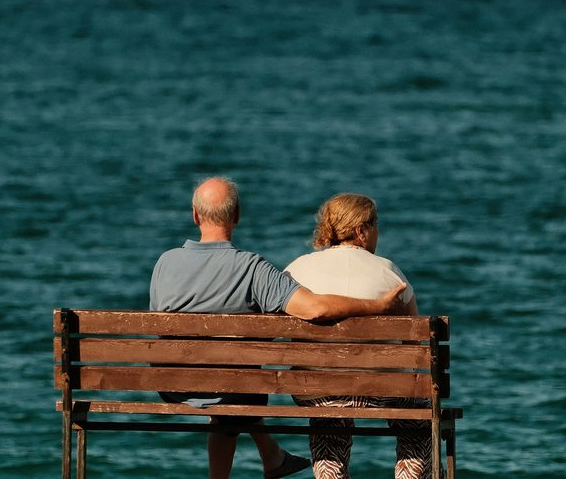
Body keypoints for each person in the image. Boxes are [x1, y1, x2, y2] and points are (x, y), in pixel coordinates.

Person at [149, 178, 407, 479]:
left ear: (194, 215)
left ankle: (273, 457)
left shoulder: (165, 263)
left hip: (171, 383)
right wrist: (377, 307)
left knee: (231, 391)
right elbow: (316, 308)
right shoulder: (253, 268)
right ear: (237, 216)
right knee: (237, 387)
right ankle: (272, 458)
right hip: (233, 387)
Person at [284, 193, 431, 479]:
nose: (378, 232)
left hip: (317, 392)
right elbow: (414, 343)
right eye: (376, 225)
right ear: (362, 230)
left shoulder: (296, 270)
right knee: (418, 422)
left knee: (327, 416)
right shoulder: (390, 274)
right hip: (383, 392)